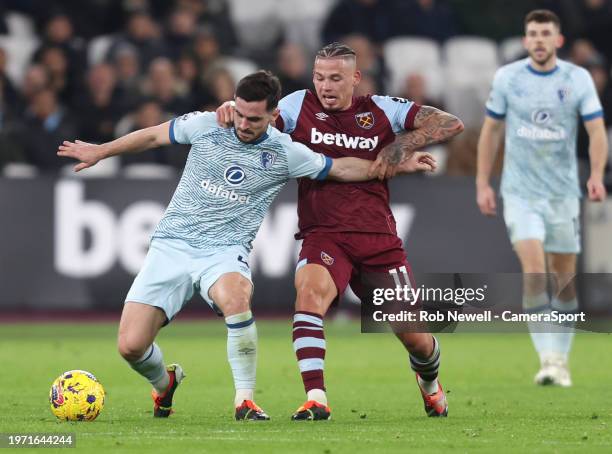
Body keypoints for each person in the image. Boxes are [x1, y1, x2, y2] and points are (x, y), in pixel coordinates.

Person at [57, 70, 435, 420]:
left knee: (236, 298)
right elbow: (154, 135)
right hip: (171, 245)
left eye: (254, 119)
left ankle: (245, 399)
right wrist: (100, 151)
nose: (243, 124)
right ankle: (164, 384)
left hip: (224, 251)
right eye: (239, 113)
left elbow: (340, 168)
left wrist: (396, 163)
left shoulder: (286, 152)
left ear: (273, 115)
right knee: (130, 346)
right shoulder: (207, 124)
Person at [217, 43, 463, 420]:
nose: (326, 86)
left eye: (335, 78)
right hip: (324, 233)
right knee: (309, 295)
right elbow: (257, 124)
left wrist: (401, 144)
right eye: (319, 77)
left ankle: (429, 381)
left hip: (377, 240)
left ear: (355, 78)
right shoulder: (299, 106)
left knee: (414, 336)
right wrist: (229, 112)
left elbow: (450, 122)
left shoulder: (383, 109)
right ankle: (317, 398)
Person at [476, 10, 608, 387]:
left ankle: (561, 359)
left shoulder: (577, 78)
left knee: (563, 278)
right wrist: (483, 183)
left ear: (558, 40)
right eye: (532, 33)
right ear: (525, 39)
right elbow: (491, 132)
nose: (537, 40)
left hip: (563, 192)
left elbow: (596, 130)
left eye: (545, 33)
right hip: (520, 192)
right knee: (534, 269)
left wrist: (596, 175)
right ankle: (547, 358)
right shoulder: (508, 77)